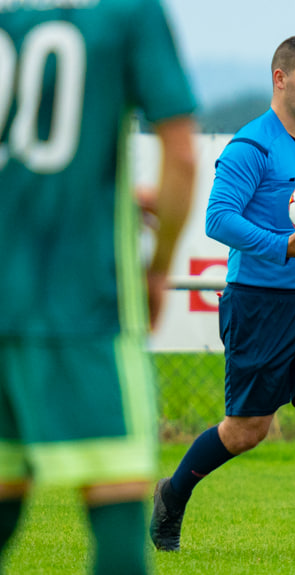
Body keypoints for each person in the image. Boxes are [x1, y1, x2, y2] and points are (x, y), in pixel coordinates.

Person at [148, 36, 295, 558]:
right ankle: (172, 494)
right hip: (258, 304)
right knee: (248, 430)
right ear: (280, 78)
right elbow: (218, 219)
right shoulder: (251, 146)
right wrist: (284, 248)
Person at [0, 1, 197, 574]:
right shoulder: (127, 11)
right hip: (81, 301)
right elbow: (181, 155)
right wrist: (157, 268)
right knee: (116, 499)